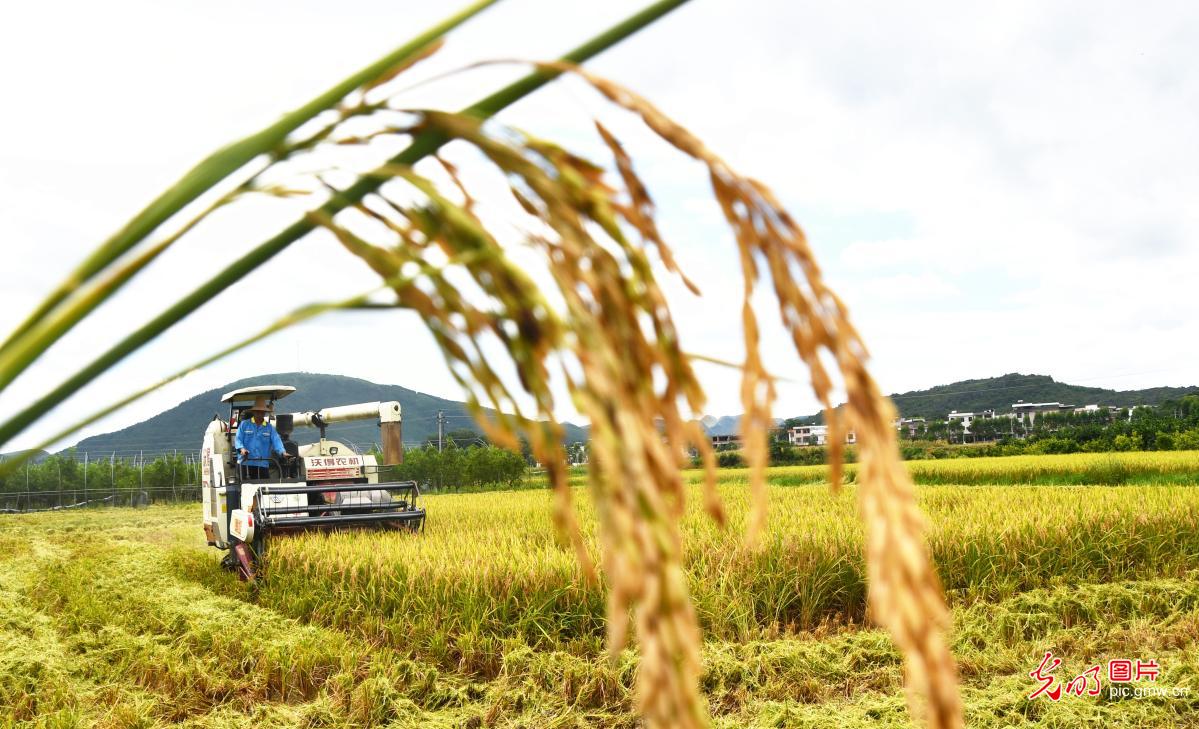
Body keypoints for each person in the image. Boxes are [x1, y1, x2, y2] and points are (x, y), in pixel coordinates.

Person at [234, 396, 289, 480]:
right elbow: (238, 439)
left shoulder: (269, 428)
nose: (260, 414)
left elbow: (277, 441)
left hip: (262, 464)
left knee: (265, 489)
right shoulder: (244, 424)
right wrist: (242, 449)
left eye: (262, 412)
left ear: (264, 413)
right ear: (254, 412)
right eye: (258, 412)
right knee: (245, 489)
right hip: (245, 463)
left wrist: (283, 453)